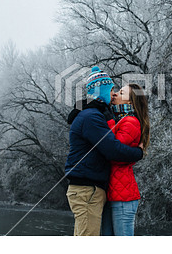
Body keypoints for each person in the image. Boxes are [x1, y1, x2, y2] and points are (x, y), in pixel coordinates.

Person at [64, 67, 144, 236]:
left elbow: (112, 143)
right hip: (88, 189)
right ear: (103, 92)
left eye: (119, 92)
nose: (114, 94)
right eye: (112, 90)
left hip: (94, 189)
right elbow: (113, 149)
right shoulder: (92, 117)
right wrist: (139, 153)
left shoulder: (95, 115)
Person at [101, 83, 150, 236]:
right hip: (113, 193)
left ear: (130, 102)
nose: (115, 94)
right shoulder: (120, 120)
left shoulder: (130, 122)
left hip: (123, 197)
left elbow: (114, 151)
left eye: (121, 93)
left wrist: (109, 120)